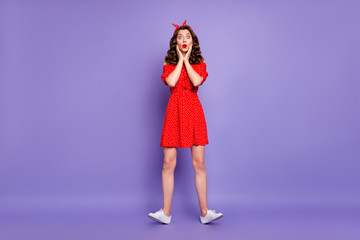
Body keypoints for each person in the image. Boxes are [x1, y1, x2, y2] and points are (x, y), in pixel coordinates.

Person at [148, 20, 223, 224]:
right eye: (180, 37)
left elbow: (196, 81)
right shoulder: (168, 63)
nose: (184, 40)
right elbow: (171, 82)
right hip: (174, 111)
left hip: (193, 111)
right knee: (167, 163)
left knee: (199, 163)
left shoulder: (200, 62)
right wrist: (180, 60)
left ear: (192, 42)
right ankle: (166, 212)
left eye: (187, 37)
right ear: (175, 42)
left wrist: (188, 60)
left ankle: (205, 212)